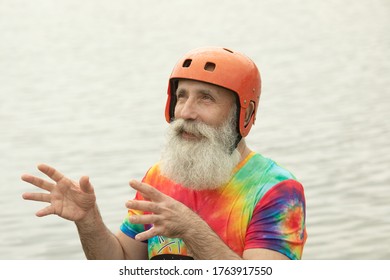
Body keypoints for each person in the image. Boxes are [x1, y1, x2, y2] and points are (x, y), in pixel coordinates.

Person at [21, 46, 307, 260]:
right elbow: (120, 264)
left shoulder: (276, 190)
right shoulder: (160, 177)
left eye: (205, 98)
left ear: (244, 114)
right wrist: (89, 221)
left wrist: (190, 229)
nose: (186, 112)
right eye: (182, 96)